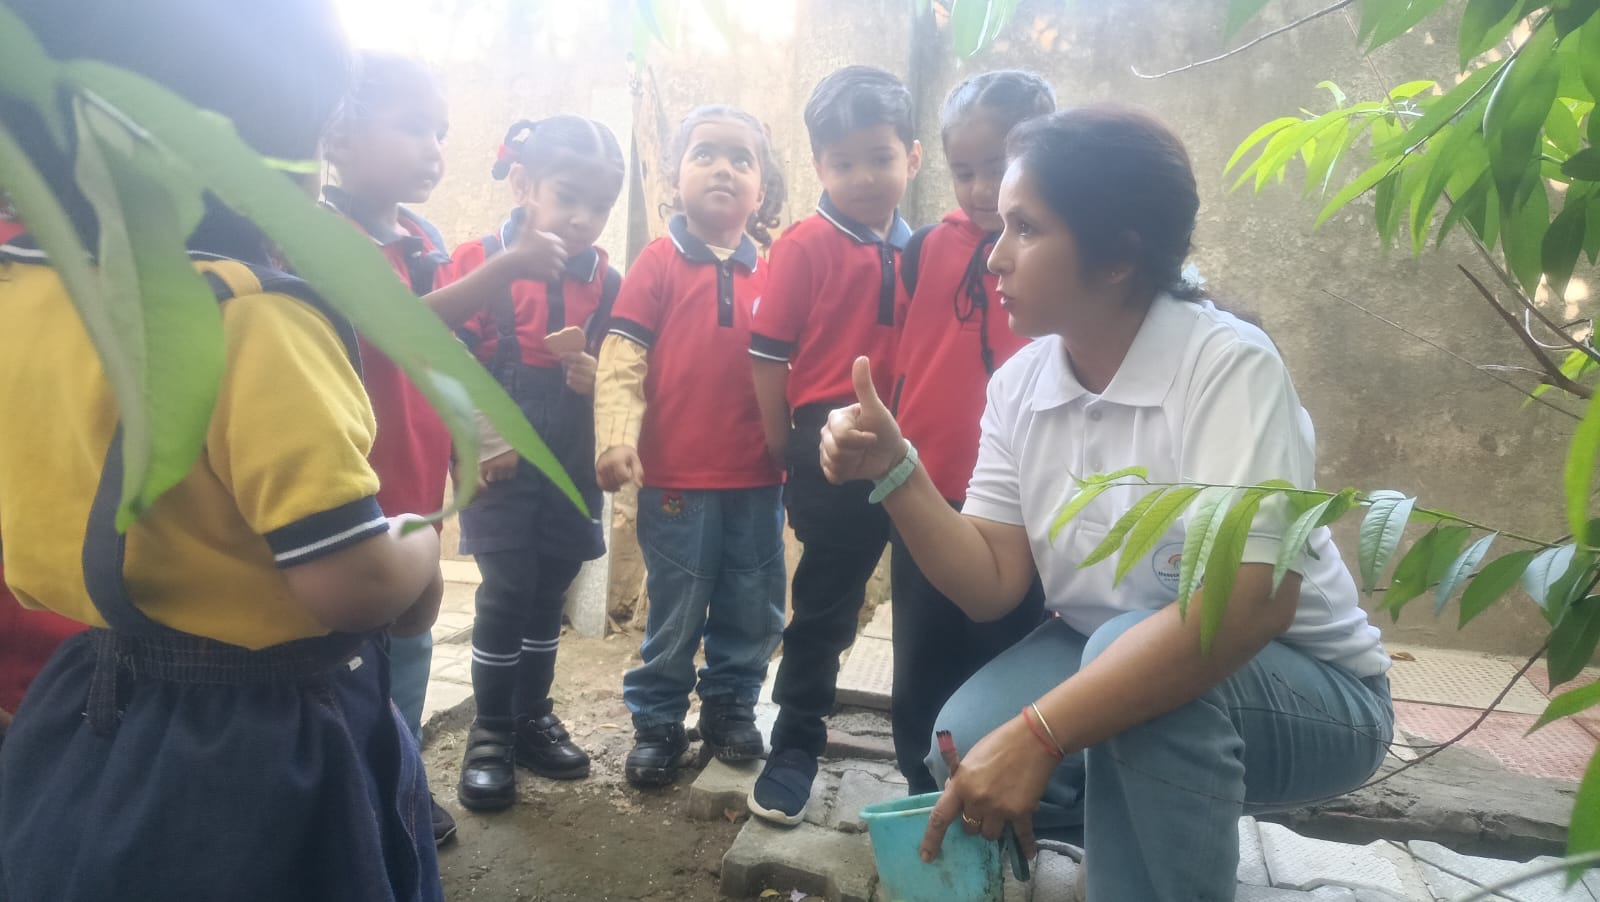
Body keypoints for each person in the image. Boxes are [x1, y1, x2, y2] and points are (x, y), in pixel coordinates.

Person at [819, 105, 1394, 900]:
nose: (994, 257)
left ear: (1118, 257)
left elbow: (1249, 605)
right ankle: (1137, 841)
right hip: (1107, 646)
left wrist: (1041, 733)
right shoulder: (1022, 384)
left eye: (1025, 228)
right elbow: (991, 582)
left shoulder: (1227, 367)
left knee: (1134, 687)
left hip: (1312, 692)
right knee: (969, 737)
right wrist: (896, 471)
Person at [0, 1, 446, 899]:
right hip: (261, 733)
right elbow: (352, 583)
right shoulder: (251, 320)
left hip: (85, 696)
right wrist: (422, 545)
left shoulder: (21, 294)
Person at [747, 64, 923, 825]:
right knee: (826, 601)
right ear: (819, 165)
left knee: (929, 604)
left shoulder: (930, 251)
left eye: (880, 158)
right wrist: (778, 439)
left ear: (912, 157)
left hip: (917, 442)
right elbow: (767, 354)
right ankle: (795, 742)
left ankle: (927, 760)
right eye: (844, 162)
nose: (864, 177)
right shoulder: (804, 246)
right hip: (827, 443)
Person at [594, 105, 788, 787]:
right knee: (676, 609)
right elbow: (622, 357)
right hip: (676, 480)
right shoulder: (657, 263)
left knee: (752, 603)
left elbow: (795, 368)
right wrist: (615, 437)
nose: (723, 168)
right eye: (705, 153)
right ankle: (657, 722)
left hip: (758, 479)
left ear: (761, 190)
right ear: (675, 178)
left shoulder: (775, 273)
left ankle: (731, 707)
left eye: (741, 158)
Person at [443, 116, 624, 812]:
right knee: (508, 586)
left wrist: (595, 374)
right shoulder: (480, 261)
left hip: (570, 458)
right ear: (523, 184)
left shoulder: (607, 281)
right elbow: (446, 358)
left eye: (598, 206)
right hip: (499, 459)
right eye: (567, 197)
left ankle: (530, 719)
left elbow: (626, 368)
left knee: (549, 588)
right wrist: (488, 439)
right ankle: (489, 732)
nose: (582, 219)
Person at [886, 69, 1055, 794]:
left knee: (1006, 654)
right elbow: (906, 355)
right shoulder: (925, 248)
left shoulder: (1055, 256)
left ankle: (1006, 799)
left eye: (999, 167)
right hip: (924, 493)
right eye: (964, 171)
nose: (982, 189)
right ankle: (921, 792)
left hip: (1019, 508)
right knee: (921, 654)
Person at [321, 50, 458, 847]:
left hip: (419, 481)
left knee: (411, 645)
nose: (433, 148)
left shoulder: (420, 240)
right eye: (413, 127)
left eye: (441, 132)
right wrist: (509, 268)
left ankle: (400, 780)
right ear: (337, 135)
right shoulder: (320, 237)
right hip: (357, 488)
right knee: (351, 654)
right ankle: (361, 796)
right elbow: (401, 329)